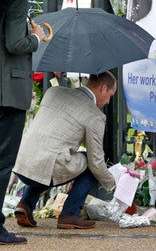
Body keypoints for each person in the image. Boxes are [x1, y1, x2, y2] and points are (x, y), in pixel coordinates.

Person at [12, 71, 117, 230]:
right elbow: (96, 161)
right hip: (48, 167)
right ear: (103, 88)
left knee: (47, 159)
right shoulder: (95, 115)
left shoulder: (54, 92)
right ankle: (70, 214)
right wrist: (113, 183)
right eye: (110, 95)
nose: (109, 101)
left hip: (22, 162)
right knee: (90, 163)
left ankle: (25, 204)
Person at [0, 0, 46, 245]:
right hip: (9, 95)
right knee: (4, 163)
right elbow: (15, 44)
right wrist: (37, 38)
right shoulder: (15, 2)